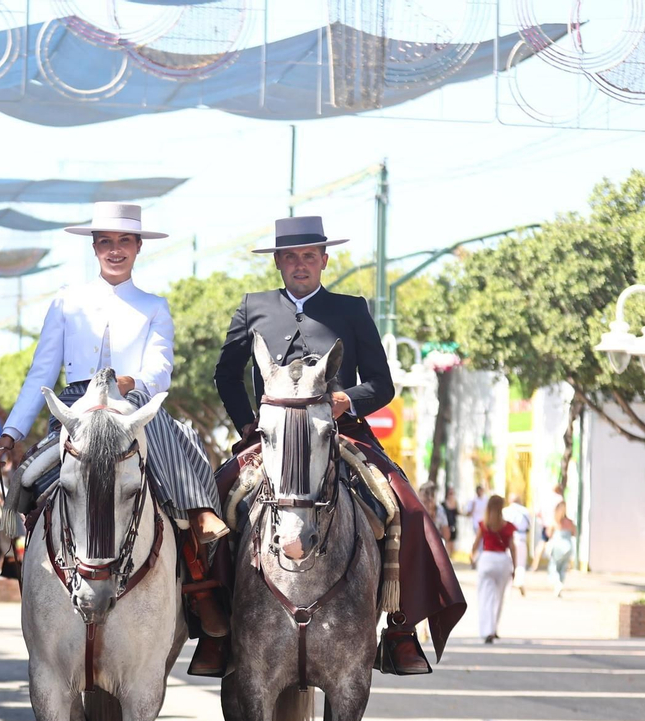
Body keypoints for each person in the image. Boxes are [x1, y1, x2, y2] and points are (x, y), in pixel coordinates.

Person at [212, 215, 464, 675]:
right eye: (291, 257)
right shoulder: (253, 307)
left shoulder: (352, 309)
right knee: (213, 505)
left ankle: (401, 629)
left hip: (340, 432)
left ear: (325, 260)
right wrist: (250, 425)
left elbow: (383, 384)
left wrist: (349, 398)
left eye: (309, 256)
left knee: (404, 505)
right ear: (278, 264)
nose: (300, 264)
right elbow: (225, 375)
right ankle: (217, 627)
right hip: (271, 438)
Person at [0, 202, 231, 670]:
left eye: (124, 242)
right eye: (106, 242)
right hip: (77, 408)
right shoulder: (65, 301)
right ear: (94, 247)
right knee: (27, 479)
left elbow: (159, 371)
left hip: (133, 407)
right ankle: (27, 564)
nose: (114, 250)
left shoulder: (154, 306)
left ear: (138, 248)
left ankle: (197, 566)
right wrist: (13, 430)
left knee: (182, 450)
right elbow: (42, 370)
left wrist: (129, 384)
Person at [473, 494, 516, 643]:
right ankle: (493, 628)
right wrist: (515, 567)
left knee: (485, 597)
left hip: (487, 559)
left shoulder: (484, 524)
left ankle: (487, 630)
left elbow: (476, 543)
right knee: (499, 597)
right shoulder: (507, 526)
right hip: (503, 561)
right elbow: (512, 547)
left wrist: (472, 557)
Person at [538, 503, 576, 598]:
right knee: (563, 568)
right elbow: (574, 533)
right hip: (568, 546)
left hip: (557, 546)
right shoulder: (570, 522)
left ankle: (557, 583)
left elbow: (549, 534)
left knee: (554, 567)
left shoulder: (555, 521)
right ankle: (559, 585)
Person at [504, 494, 532, 594]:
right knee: (520, 563)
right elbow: (529, 526)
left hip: (510, 539)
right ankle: (519, 581)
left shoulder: (506, 511)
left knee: (509, 562)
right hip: (521, 539)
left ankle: (508, 586)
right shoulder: (525, 511)